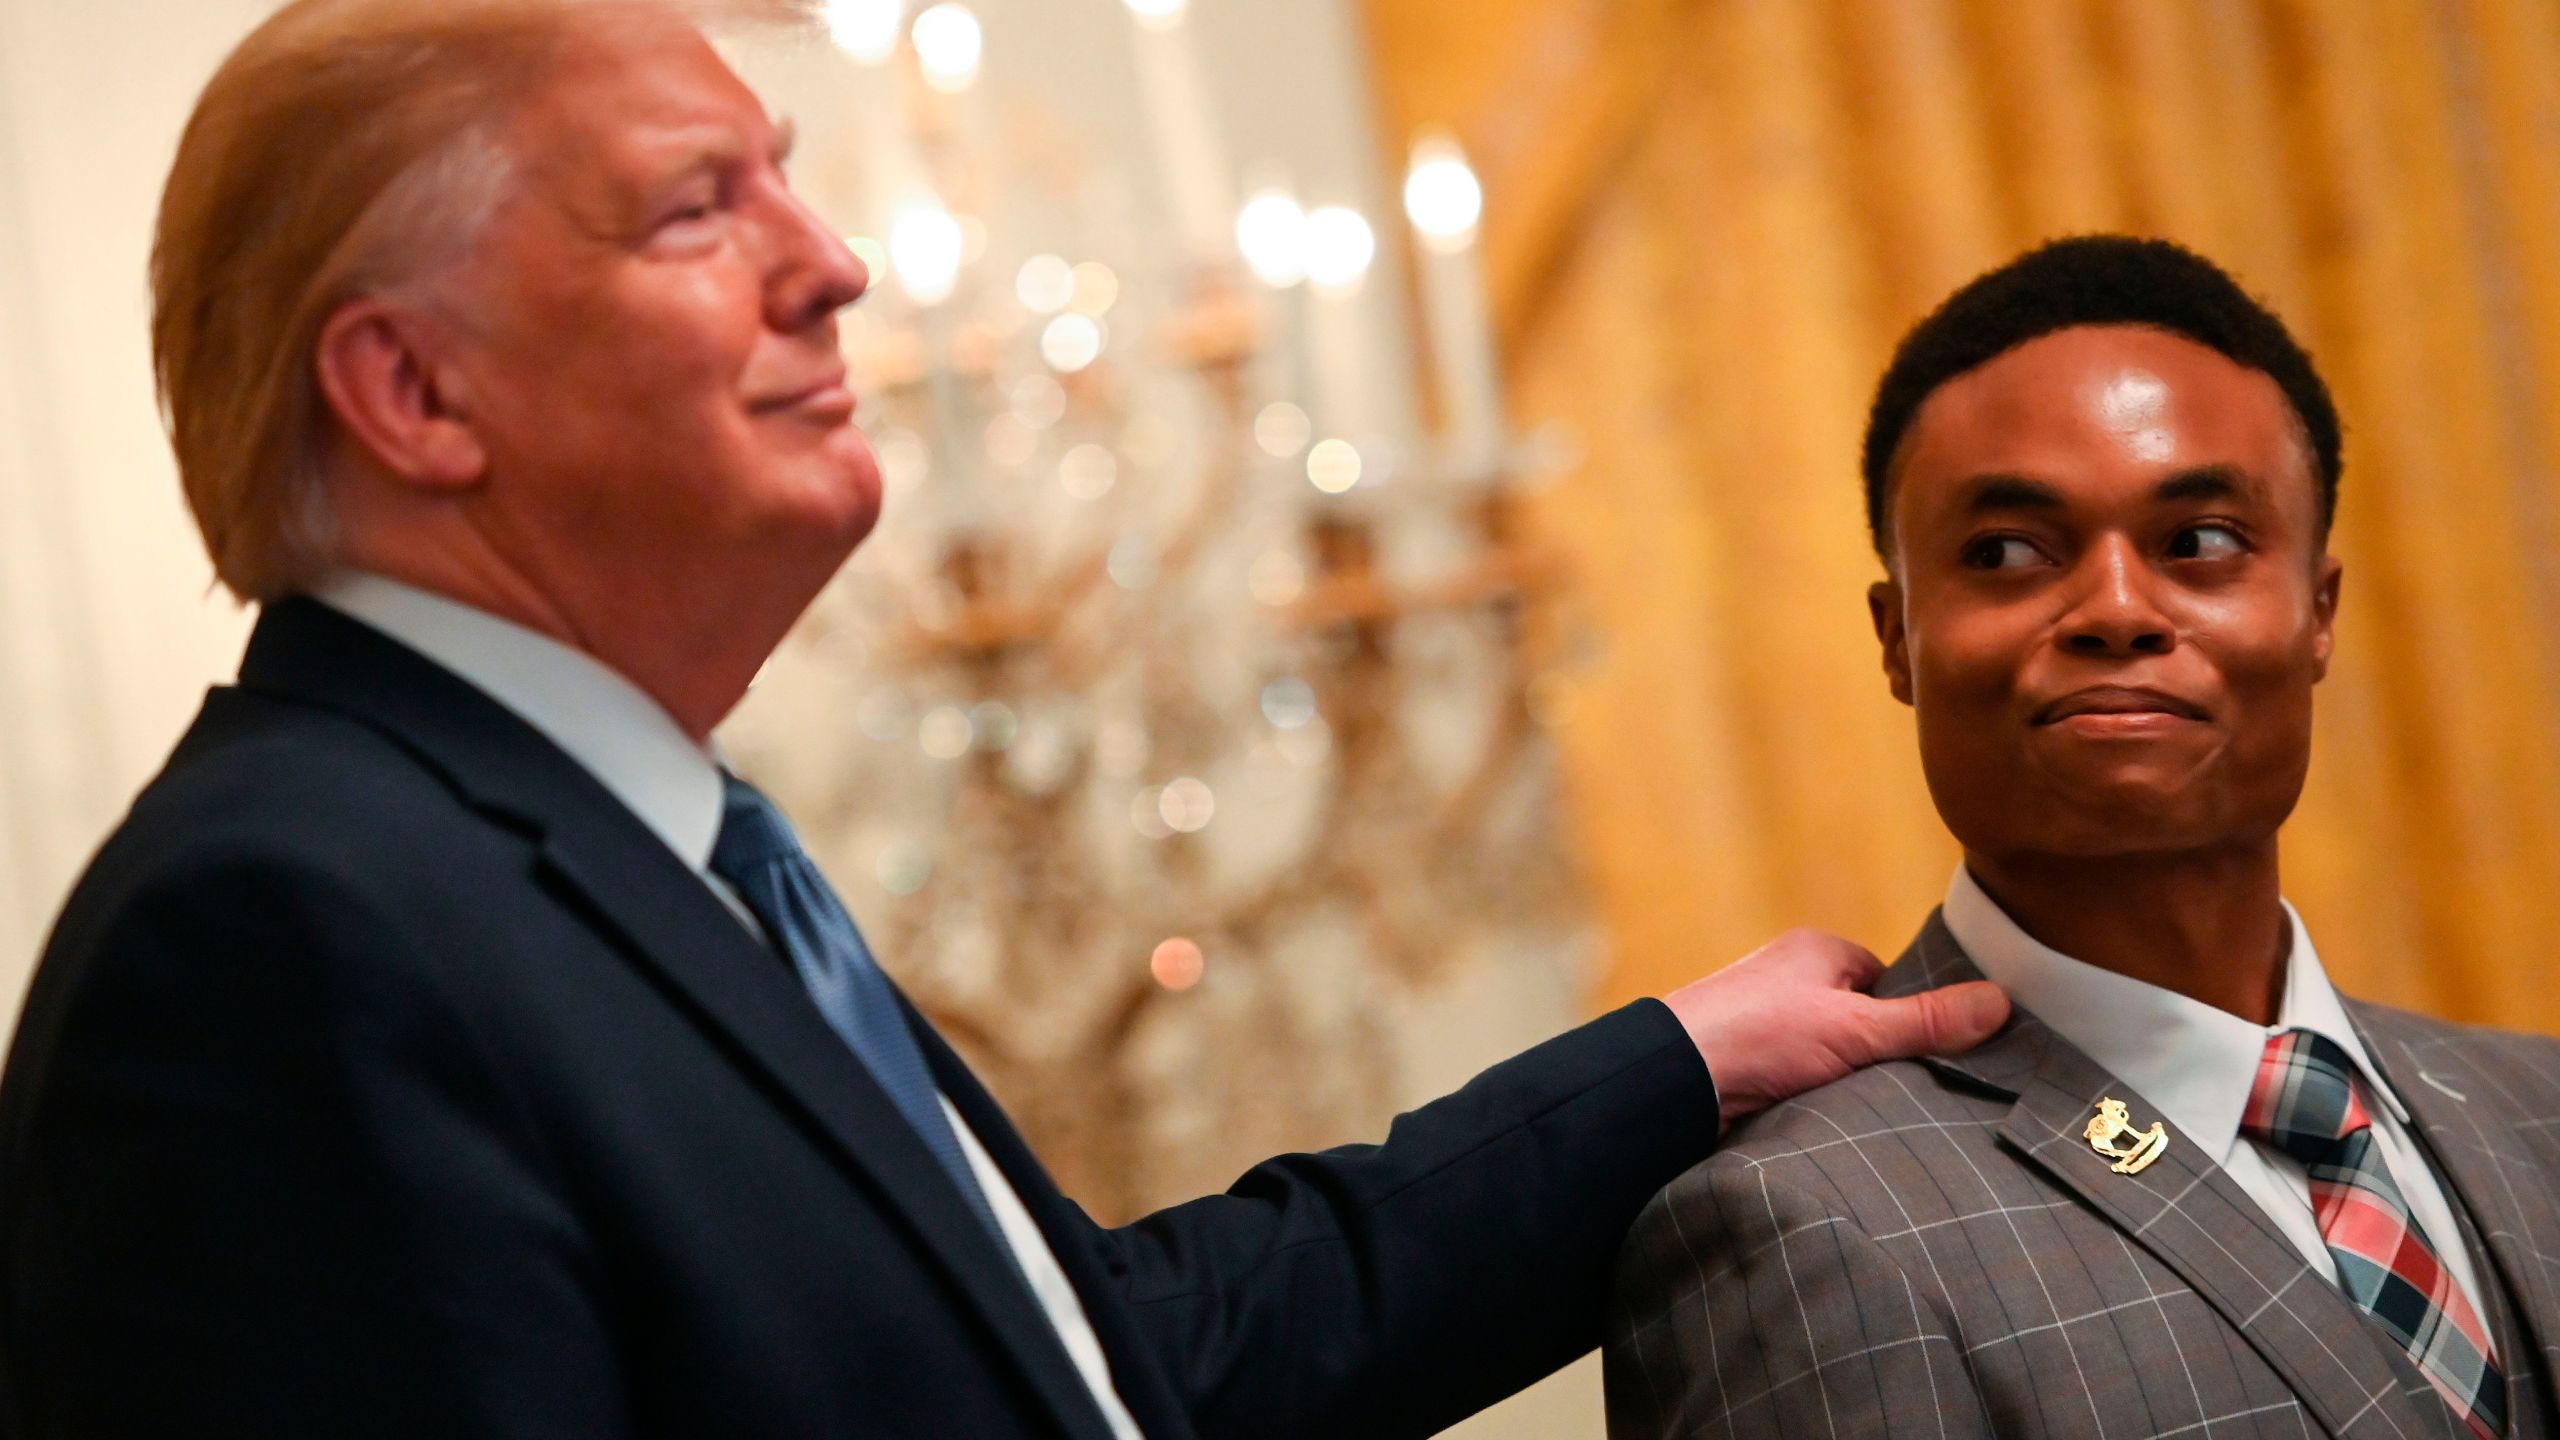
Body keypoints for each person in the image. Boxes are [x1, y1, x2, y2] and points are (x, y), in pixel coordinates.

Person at [0, 3, 2011, 1436]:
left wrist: (1675, 1067)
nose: (835, 265)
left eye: (785, 183)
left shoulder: (650, 865)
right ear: (415, 397)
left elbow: (1114, 1368)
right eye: (697, 208)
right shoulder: (279, 931)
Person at [1604, 235, 2560, 1440]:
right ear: (1896, 638)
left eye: (2200, 542)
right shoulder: (1800, 1227)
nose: (2115, 608)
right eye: (2008, 553)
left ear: (2316, 612)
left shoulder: (2542, 1106)